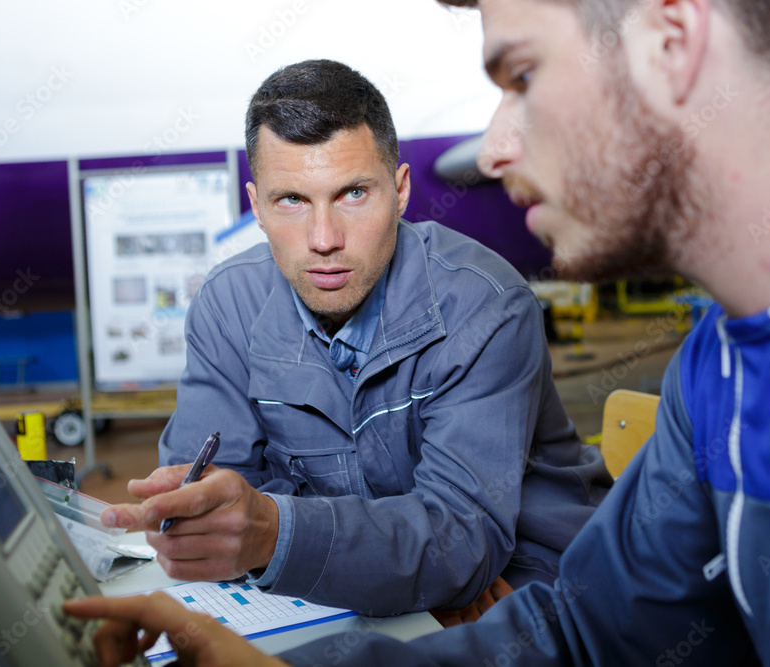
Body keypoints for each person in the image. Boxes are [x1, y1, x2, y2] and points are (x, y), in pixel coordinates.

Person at [66, 0, 770, 664]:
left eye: (523, 75)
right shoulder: (713, 368)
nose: (495, 149)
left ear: (673, 42)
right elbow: (584, 631)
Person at [96, 58, 611, 620]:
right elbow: (213, 516)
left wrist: (273, 528)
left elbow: (462, 544)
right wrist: (400, 558)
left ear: (401, 190)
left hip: (532, 590)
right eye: (291, 200)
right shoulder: (227, 306)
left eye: (353, 195)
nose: (323, 240)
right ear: (257, 207)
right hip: (343, 600)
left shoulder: (484, 306)